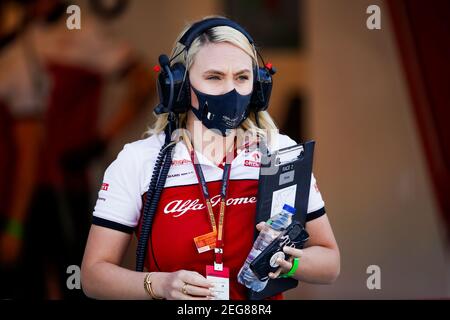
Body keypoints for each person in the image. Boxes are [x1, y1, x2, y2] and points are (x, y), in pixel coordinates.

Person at [81, 16, 340, 300]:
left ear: (259, 86)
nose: (231, 90)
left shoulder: (279, 152)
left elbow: (330, 264)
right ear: (179, 86)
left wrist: (289, 264)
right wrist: (159, 285)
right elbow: (93, 276)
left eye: (242, 77)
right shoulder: (139, 160)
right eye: (214, 77)